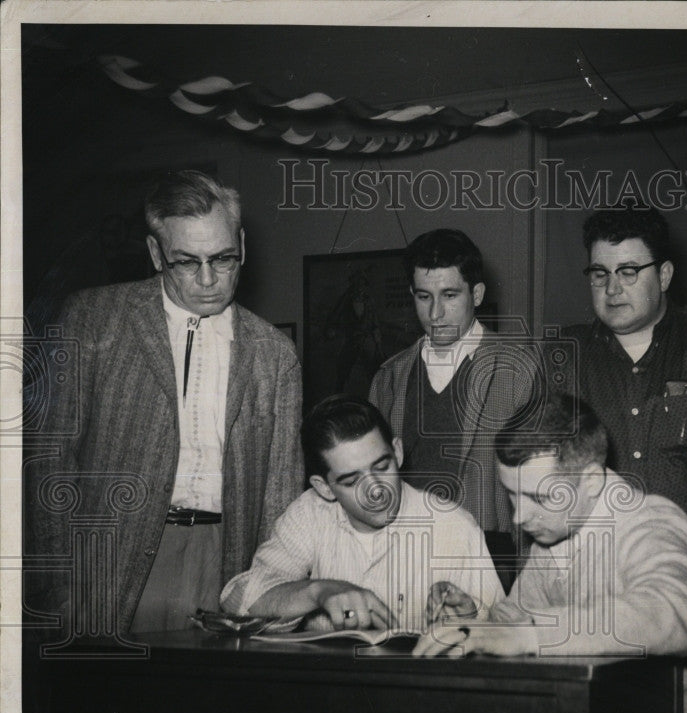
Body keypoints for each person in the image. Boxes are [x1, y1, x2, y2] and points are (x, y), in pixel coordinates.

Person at [414, 394, 687, 713]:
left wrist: (529, 634)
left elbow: (675, 618)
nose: (519, 517)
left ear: (591, 481)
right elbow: (517, 620)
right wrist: (476, 621)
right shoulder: (552, 536)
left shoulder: (654, 525)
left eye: (539, 497)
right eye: (512, 495)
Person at [24, 169, 303, 635]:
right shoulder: (92, 319)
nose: (209, 279)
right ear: (156, 254)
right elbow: (50, 462)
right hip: (108, 562)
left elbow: (280, 495)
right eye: (187, 262)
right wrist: (59, 587)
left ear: (243, 246)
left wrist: (271, 594)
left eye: (224, 258)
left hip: (224, 560)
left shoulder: (274, 353)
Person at [559, 207, 687, 635]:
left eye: (628, 271)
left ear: (663, 276)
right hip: (605, 577)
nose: (611, 288)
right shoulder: (565, 356)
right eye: (599, 274)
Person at [221, 396, 503, 631]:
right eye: (352, 481)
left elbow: (502, 633)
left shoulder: (454, 526)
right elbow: (239, 596)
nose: (376, 491)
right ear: (325, 487)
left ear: (398, 452)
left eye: (382, 467)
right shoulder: (309, 513)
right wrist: (318, 591)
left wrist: (470, 620)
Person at [369, 229, 540, 585]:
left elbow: (541, 487)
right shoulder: (388, 378)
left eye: (449, 295)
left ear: (476, 294)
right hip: (405, 560)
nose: (435, 313)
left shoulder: (520, 370)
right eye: (423, 296)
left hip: (491, 562)